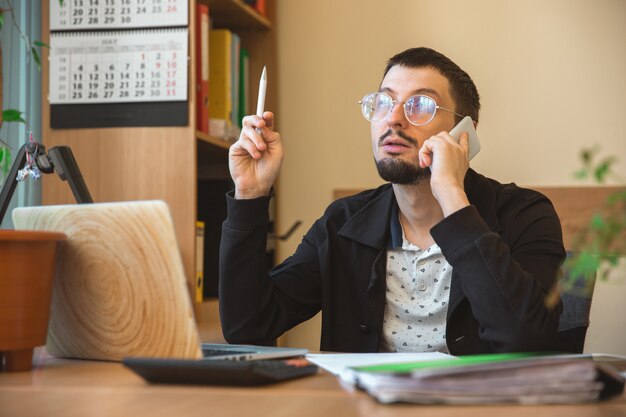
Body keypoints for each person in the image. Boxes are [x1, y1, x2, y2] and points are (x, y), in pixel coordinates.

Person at [219, 47, 566, 355]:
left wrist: (451, 196)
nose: (393, 119)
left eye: (421, 105)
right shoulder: (343, 224)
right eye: (383, 102)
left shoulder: (525, 214)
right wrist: (250, 194)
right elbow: (249, 327)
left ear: (466, 132)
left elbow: (526, 340)